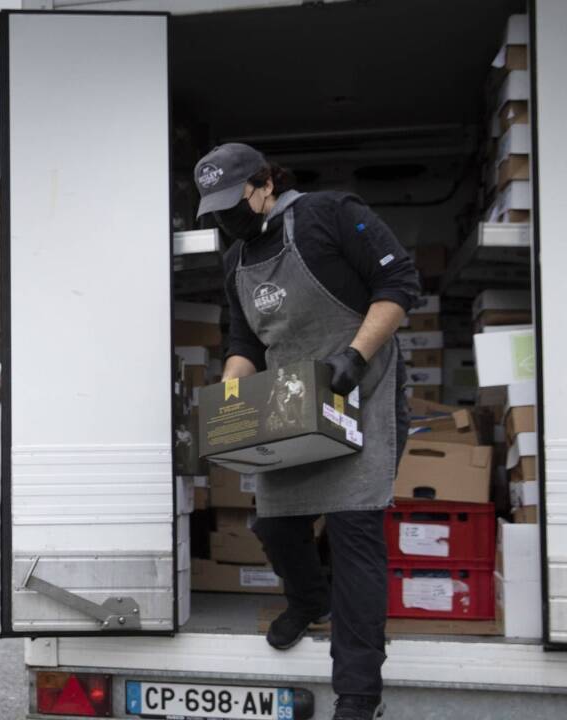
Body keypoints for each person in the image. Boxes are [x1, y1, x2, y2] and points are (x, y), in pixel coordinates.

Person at [193, 143, 418, 720]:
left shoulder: (330, 214)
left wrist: (355, 355)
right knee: (274, 524)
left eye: (233, 201)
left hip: (360, 392)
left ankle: (358, 694)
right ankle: (308, 598)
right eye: (214, 209)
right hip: (292, 403)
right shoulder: (235, 260)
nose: (227, 217)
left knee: (353, 533)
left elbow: (400, 285)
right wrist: (230, 399)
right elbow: (245, 343)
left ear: (265, 182)